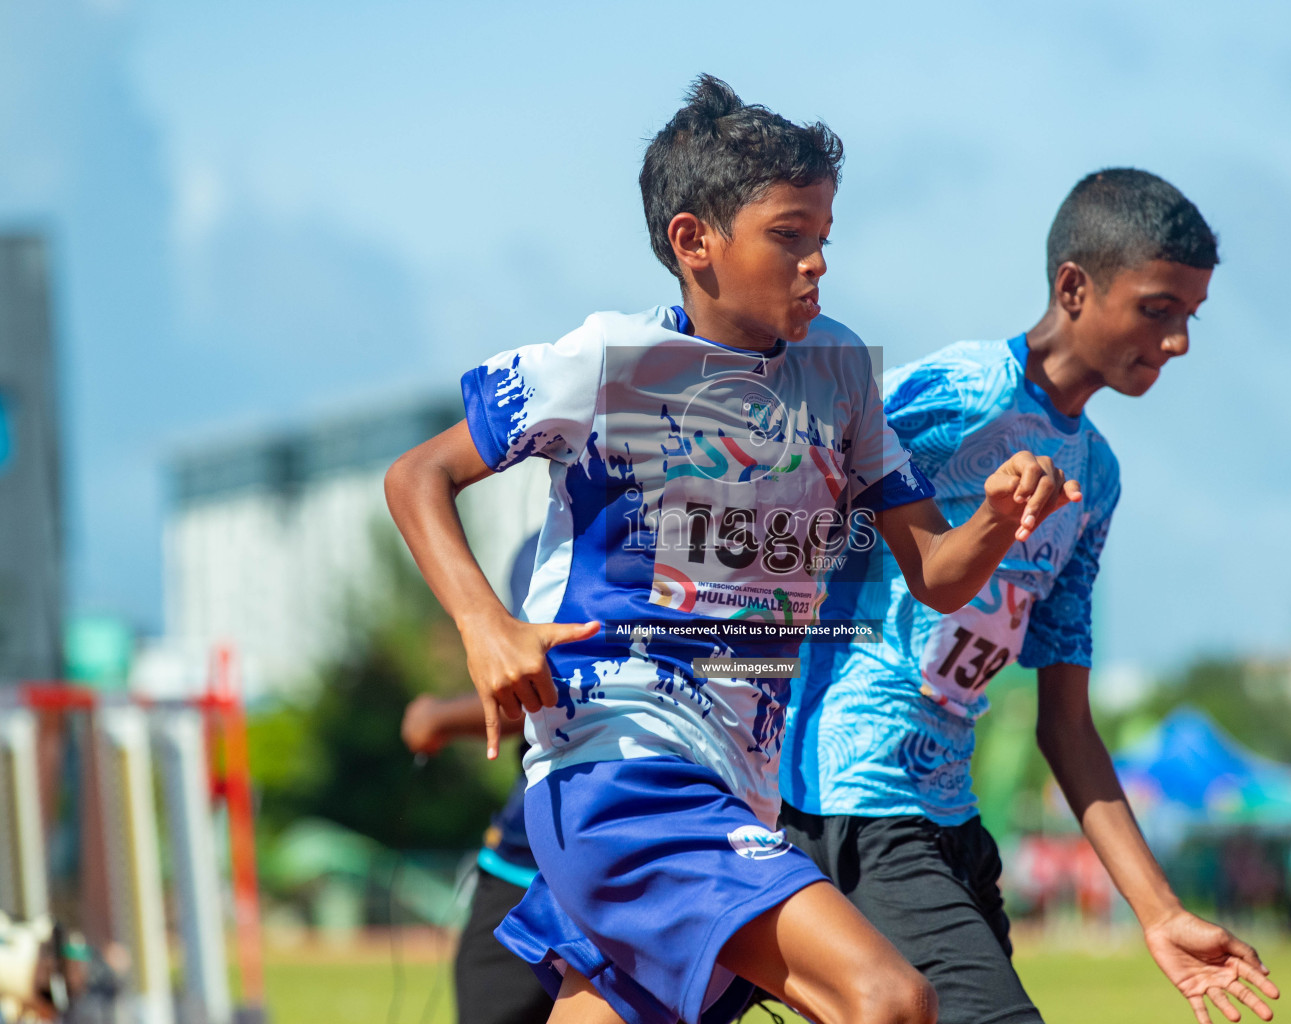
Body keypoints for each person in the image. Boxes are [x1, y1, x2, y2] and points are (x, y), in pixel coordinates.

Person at [383, 75, 1081, 1024]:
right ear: (692, 241)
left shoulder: (838, 373)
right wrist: (484, 623)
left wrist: (999, 519)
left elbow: (940, 576)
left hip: (738, 784)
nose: (816, 264)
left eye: (825, 236)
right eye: (789, 236)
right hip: (618, 765)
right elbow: (417, 476)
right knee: (888, 1001)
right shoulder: (609, 363)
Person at [780, 169, 1282, 1024]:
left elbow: (1067, 723)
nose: (1178, 342)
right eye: (1158, 309)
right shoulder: (968, 393)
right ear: (1074, 288)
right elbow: (794, 474)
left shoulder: (1099, 478)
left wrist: (1159, 912)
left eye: (1190, 317)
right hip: (849, 794)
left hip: (951, 817)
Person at [401, 537, 553, 1024]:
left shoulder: (549, 550)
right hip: (534, 864)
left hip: (612, 864)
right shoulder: (546, 547)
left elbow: (540, 685)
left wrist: (437, 717)